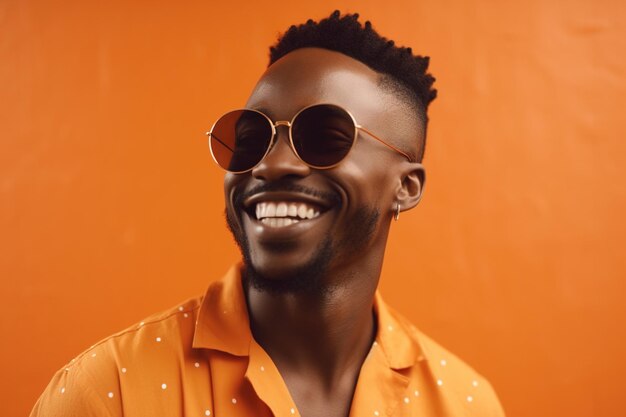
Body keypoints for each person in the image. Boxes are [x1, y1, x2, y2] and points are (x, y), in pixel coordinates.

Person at [31, 11, 505, 417]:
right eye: (252, 137)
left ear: (406, 187)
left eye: (325, 138)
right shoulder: (108, 393)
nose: (270, 164)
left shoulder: (465, 403)